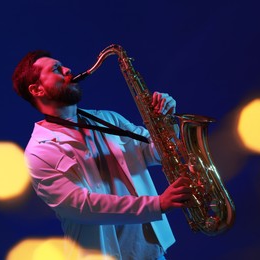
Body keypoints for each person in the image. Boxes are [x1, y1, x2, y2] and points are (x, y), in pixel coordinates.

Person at [12, 50, 193, 260]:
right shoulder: (38, 152)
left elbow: (157, 153)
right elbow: (82, 206)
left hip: (152, 252)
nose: (67, 70)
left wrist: (166, 121)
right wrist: (157, 204)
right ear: (37, 89)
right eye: (56, 69)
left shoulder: (109, 119)